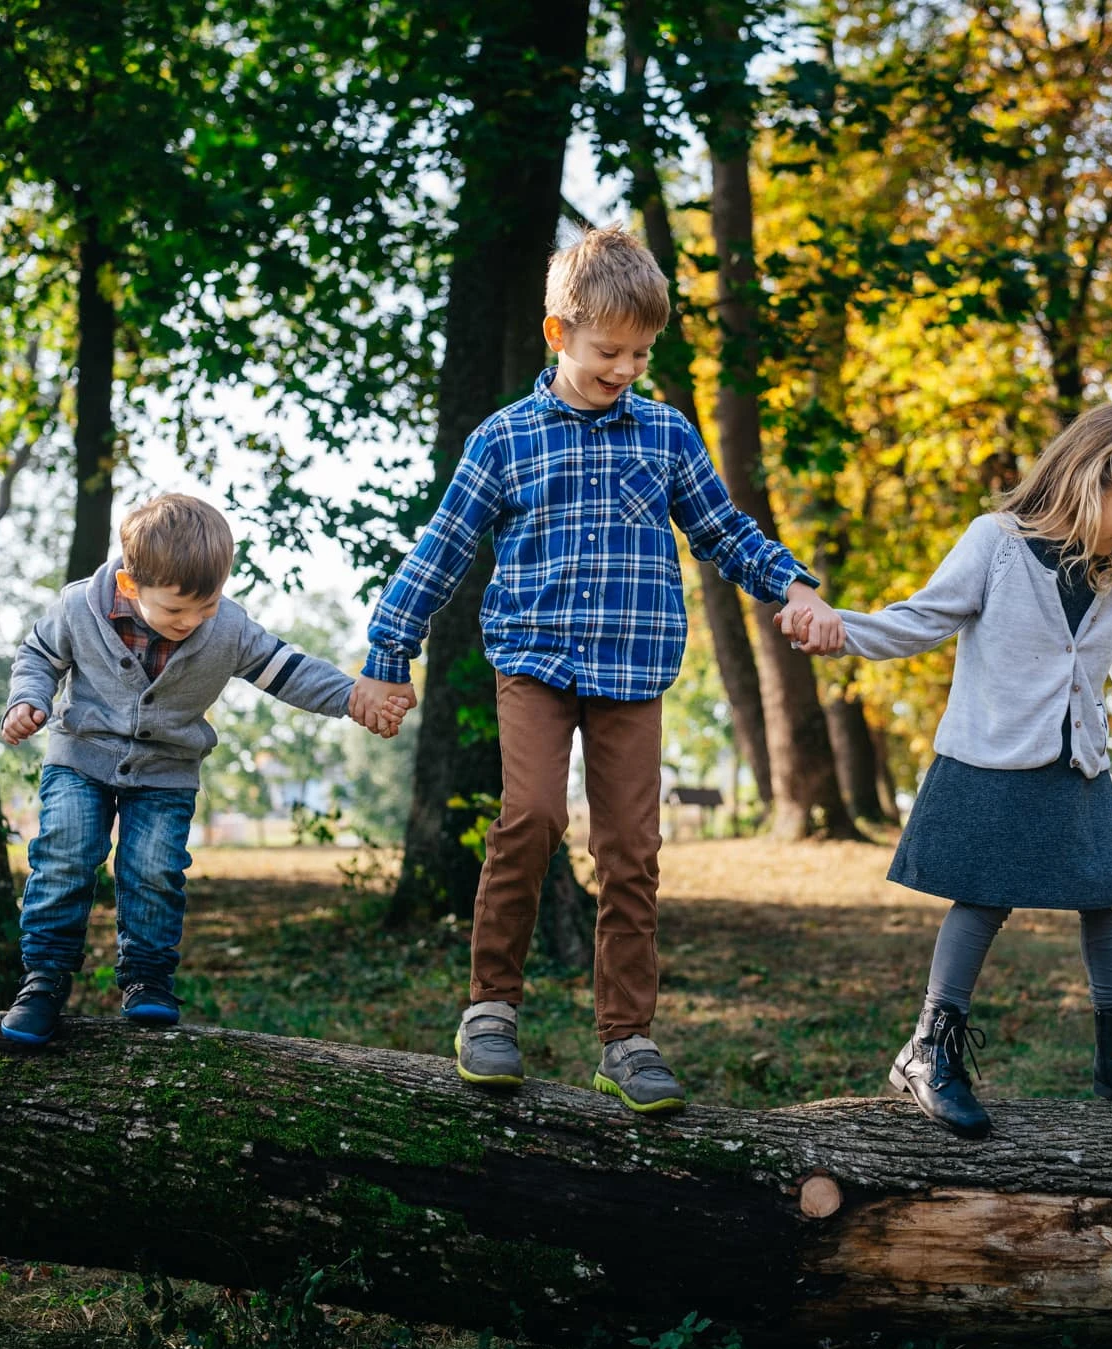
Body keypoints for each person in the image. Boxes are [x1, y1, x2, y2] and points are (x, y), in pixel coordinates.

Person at [349, 227, 844, 1113]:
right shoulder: (505, 439)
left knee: (630, 850)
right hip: (534, 660)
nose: (625, 367)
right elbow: (442, 549)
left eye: (641, 353)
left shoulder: (663, 433)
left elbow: (724, 530)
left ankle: (627, 1038)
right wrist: (389, 653)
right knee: (532, 815)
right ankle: (491, 1009)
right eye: (608, 350)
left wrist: (794, 585)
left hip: (633, 668)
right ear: (558, 334)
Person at [787, 402, 1112, 1138]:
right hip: (994, 755)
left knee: (1108, 900)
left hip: (1076, 760)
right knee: (982, 901)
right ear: (1088, 478)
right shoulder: (997, 543)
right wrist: (840, 630)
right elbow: (923, 617)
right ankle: (930, 1052)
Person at [0, 493, 402, 1043]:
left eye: (206, 607)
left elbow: (287, 670)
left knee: (154, 870)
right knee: (65, 855)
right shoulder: (77, 608)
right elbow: (37, 656)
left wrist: (355, 697)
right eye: (176, 610)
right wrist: (28, 700)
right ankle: (43, 980)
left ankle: (147, 979)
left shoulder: (228, 628)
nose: (192, 622)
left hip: (167, 769)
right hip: (80, 757)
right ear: (129, 588)